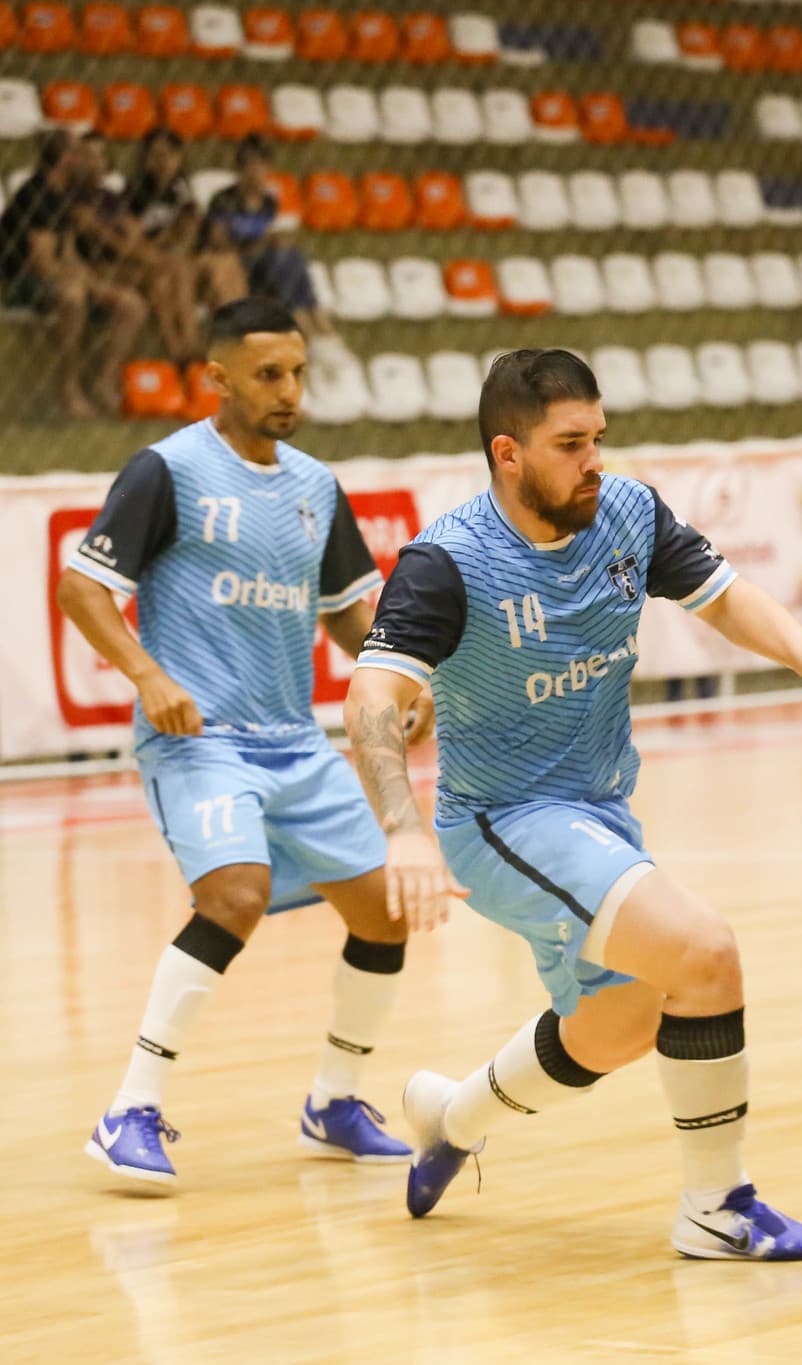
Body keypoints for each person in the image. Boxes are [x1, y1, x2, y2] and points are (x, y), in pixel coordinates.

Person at [345, 349, 802, 1260]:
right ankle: (716, 1207)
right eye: (570, 443)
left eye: (598, 437)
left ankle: (453, 1112)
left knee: (622, 1026)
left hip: (596, 813)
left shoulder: (626, 511)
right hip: (501, 822)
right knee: (705, 952)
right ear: (508, 454)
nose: (594, 459)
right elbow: (370, 702)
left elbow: (723, 595)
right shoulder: (449, 561)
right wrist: (400, 829)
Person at [58, 297, 423, 1187]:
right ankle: (129, 1111)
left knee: (386, 912)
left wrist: (401, 679)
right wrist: (149, 676)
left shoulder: (314, 485)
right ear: (215, 377)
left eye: (298, 372)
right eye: (269, 375)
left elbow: (348, 615)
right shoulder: (168, 470)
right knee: (236, 894)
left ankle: (333, 1102)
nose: (290, 390)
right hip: (201, 741)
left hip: (295, 743)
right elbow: (82, 589)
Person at [0, 127, 148, 418]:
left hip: (58, 276)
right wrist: (82, 282)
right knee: (73, 296)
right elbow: (40, 264)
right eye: (82, 154)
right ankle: (68, 387)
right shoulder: (36, 193)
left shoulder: (64, 194)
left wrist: (99, 286)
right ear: (67, 159)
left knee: (131, 304)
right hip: (18, 282)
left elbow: (68, 254)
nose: (90, 161)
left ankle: (105, 380)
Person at [204, 135, 348, 369]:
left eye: (261, 165)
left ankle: (320, 332)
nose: (256, 171)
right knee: (286, 259)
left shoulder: (269, 202)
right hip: (238, 265)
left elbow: (267, 238)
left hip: (266, 265)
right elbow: (217, 242)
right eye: (250, 165)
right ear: (241, 168)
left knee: (292, 256)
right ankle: (317, 334)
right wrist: (258, 243)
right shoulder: (224, 200)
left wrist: (270, 241)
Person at [122, 128, 249, 360]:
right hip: (151, 261)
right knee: (169, 273)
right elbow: (134, 241)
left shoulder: (183, 191)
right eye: (156, 154)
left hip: (182, 258)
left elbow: (189, 239)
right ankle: (182, 349)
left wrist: (184, 232)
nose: (163, 162)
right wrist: (170, 235)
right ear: (145, 158)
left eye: (169, 154)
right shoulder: (133, 193)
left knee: (224, 263)